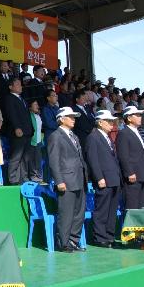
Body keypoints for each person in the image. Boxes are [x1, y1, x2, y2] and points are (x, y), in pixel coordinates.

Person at [47, 107, 87, 252]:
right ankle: (63, 242)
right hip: (67, 180)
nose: (73, 119)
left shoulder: (74, 136)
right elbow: (54, 160)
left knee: (78, 213)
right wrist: (59, 180)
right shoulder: (56, 136)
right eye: (70, 117)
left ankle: (73, 241)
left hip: (79, 179)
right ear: (62, 119)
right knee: (66, 213)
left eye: (74, 117)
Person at [84, 110, 121, 248]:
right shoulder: (93, 137)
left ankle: (109, 235)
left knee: (111, 209)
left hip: (114, 178)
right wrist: (99, 177)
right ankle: (100, 237)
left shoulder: (107, 137)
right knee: (102, 209)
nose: (112, 124)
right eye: (108, 121)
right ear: (100, 122)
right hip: (104, 179)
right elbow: (92, 160)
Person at [116, 106, 144, 211]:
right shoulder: (124, 133)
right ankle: (131, 228)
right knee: (132, 206)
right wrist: (129, 172)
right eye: (137, 115)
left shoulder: (137, 132)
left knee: (141, 206)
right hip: (133, 176)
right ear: (129, 118)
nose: (140, 117)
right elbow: (123, 155)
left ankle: (140, 228)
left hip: (142, 174)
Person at [2, 78, 34, 185]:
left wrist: (31, 129)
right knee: (16, 156)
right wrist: (16, 127)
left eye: (20, 84)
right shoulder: (9, 98)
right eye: (17, 84)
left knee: (25, 158)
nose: (20, 86)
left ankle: (23, 178)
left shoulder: (22, 99)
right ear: (10, 87)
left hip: (27, 132)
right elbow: (12, 114)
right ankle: (12, 179)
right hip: (17, 131)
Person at [27, 99, 44, 182]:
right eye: (35, 104)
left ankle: (40, 176)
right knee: (32, 160)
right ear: (30, 107)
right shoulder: (29, 115)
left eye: (37, 104)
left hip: (39, 141)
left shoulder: (38, 116)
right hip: (32, 140)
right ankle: (34, 176)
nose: (37, 106)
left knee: (38, 159)